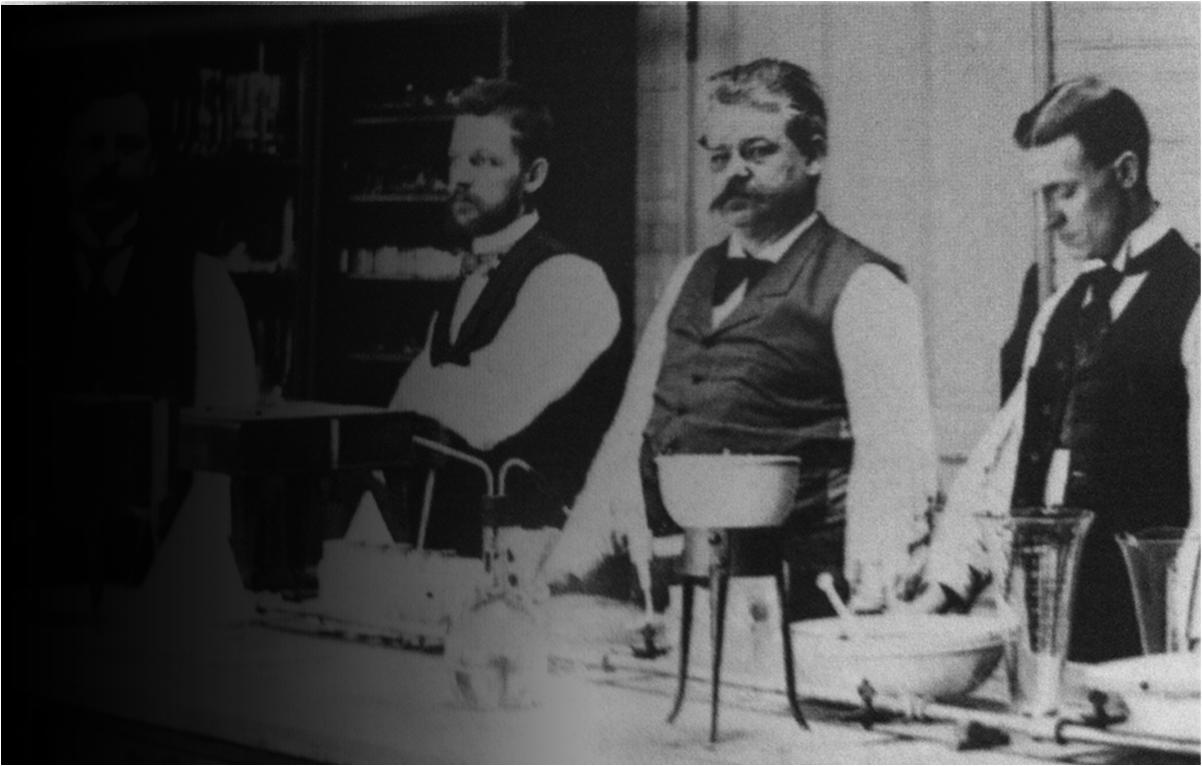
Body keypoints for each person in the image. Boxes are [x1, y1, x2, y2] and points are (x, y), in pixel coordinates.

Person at [540, 59, 937, 618]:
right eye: (719, 157)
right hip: (664, 598)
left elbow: (894, 469)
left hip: (791, 608)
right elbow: (630, 433)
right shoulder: (688, 275)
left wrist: (874, 613)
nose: (732, 173)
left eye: (757, 151)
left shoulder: (865, 286)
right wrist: (566, 567)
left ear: (815, 153)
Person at [918, 77, 1200, 662]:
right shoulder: (1059, 310)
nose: (1049, 217)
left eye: (1064, 191)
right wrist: (946, 582)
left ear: (1125, 172)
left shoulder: (1195, 299)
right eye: (1040, 195)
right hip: (1047, 644)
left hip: (1151, 651)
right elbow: (1007, 458)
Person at [24, 61, 259, 625]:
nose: (109, 163)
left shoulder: (204, 285)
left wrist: (189, 582)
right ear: (65, 158)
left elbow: (225, 456)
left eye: (127, 146)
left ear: (152, 161)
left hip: (159, 587)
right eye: (93, 144)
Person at [388, 79, 624, 559]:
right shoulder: (466, 276)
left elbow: (487, 416)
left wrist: (425, 388)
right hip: (452, 548)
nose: (460, 177)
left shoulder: (570, 280)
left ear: (532, 176)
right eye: (455, 159)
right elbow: (407, 413)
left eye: (484, 161)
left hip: (539, 557)